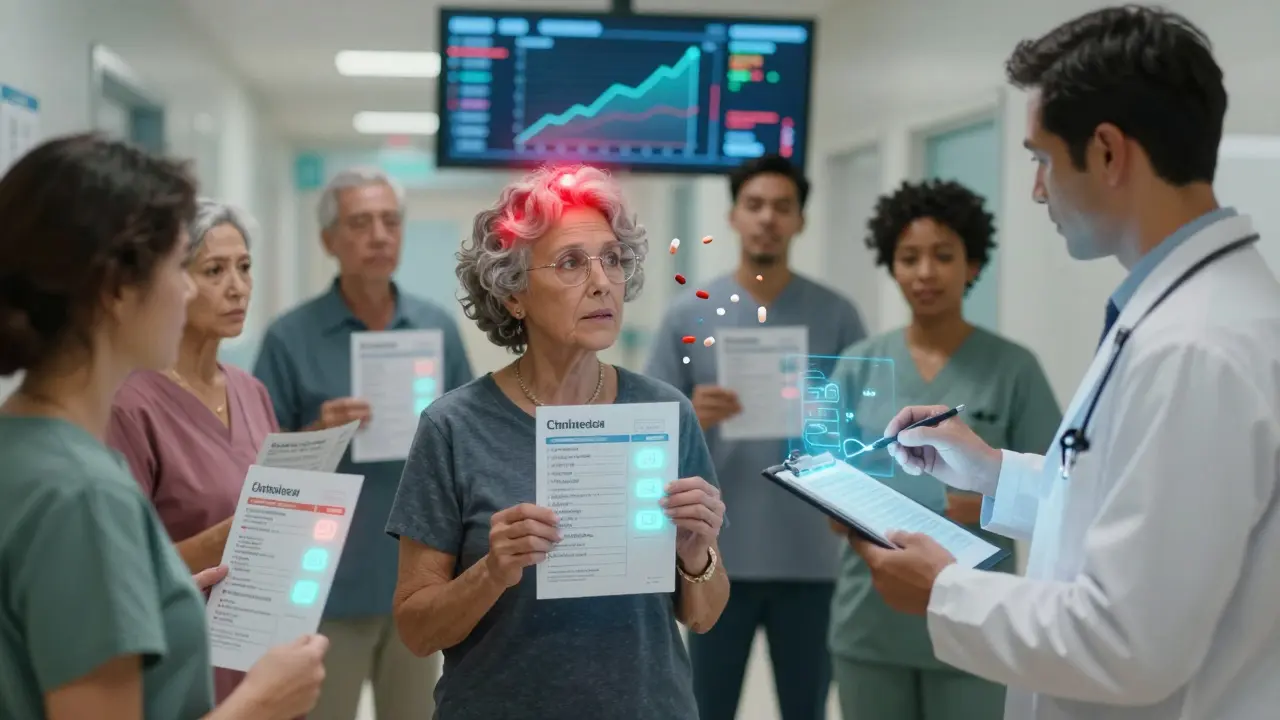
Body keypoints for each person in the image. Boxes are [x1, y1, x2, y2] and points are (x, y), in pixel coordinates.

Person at [849, 7, 1280, 720]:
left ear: (1108, 153)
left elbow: (1129, 643)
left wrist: (947, 591)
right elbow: (1123, 515)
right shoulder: (1183, 313)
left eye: (1042, 159)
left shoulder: (1196, 348)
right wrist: (992, 472)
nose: (1038, 190)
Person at [0, 133, 327, 719]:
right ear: (116, 290)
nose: (186, 289)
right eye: (182, 266)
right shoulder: (82, 495)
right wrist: (259, 703)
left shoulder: (23, 445)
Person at [386, 164, 729, 719]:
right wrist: (492, 571)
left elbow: (705, 614)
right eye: (571, 262)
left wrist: (694, 555)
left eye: (612, 259)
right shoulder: (453, 427)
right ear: (514, 294)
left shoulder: (665, 412)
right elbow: (417, 630)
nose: (602, 281)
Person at [827, 179, 1062, 720]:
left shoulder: (1013, 369)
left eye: (943, 256)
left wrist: (982, 503)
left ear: (973, 264)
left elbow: (1060, 490)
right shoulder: (859, 363)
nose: (925, 272)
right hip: (871, 622)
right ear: (892, 265)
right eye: (909, 257)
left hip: (976, 620)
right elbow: (831, 503)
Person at [646, 154, 865, 720]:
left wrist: (829, 417)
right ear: (734, 216)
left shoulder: (836, 316)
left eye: (782, 207)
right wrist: (694, 412)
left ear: (800, 221)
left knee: (805, 709)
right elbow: (647, 434)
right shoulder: (688, 316)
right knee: (706, 707)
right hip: (716, 555)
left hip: (811, 554)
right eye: (755, 205)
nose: (768, 218)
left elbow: (864, 430)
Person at [253, 167, 473, 720]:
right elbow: (258, 465)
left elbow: (471, 439)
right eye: (360, 223)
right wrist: (316, 436)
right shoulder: (289, 337)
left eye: (390, 221)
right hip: (325, 583)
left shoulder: (436, 328)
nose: (379, 234)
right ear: (329, 239)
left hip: (416, 578)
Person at [106, 198, 282, 706]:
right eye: (215, 270)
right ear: (173, 284)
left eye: (244, 267)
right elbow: (124, 572)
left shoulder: (252, 391)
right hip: (179, 658)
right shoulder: (131, 404)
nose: (238, 287)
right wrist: (232, 536)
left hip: (258, 645)